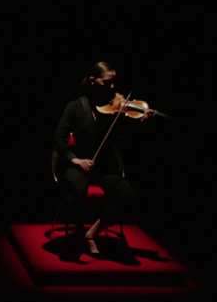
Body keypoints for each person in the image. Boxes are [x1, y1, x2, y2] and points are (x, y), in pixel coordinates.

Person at [52, 62, 152, 255]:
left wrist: (141, 125)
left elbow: (123, 141)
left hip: (104, 167)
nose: (112, 87)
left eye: (114, 83)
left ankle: (92, 233)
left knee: (129, 198)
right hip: (79, 165)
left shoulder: (114, 109)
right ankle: (77, 233)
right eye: (107, 83)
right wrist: (75, 160)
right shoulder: (74, 107)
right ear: (92, 80)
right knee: (72, 199)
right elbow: (58, 139)